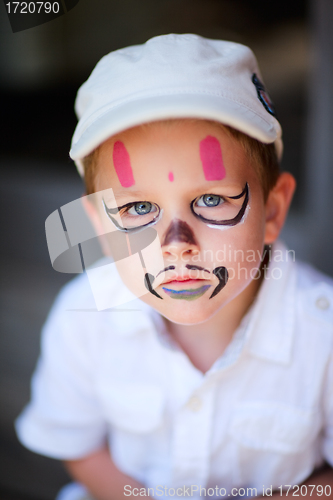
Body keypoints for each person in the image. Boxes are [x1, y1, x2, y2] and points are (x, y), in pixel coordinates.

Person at [16, 34, 333, 500]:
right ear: (100, 228)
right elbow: (80, 449)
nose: (176, 245)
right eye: (137, 209)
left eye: (210, 200)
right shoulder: (82, 317)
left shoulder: (322, 333)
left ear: (272, 212)